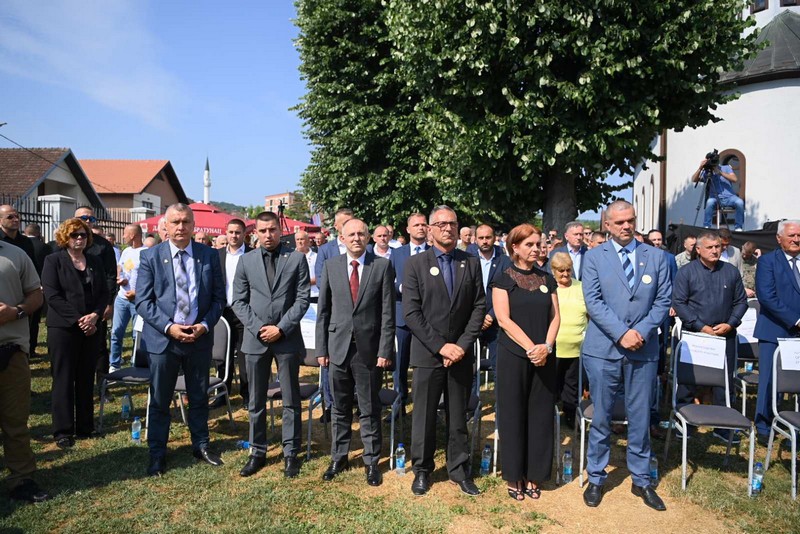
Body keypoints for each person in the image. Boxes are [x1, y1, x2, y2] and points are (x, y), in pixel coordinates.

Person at [580, 200, 671, 511]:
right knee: (602, 415)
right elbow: (593, 301)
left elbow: (663, 301)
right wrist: (622, 333)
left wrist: (640, 332)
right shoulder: (594, 257)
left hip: (643, 349)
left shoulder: (656, 256)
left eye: (630, 220)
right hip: (604, 350)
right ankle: (596, 475)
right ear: (607, 225)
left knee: (640, 415)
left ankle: (641, 479)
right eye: (619, 222)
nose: (626, 226)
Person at [135, 203, 226, 476]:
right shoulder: (150, 256)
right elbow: (143, 301)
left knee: (198, 396)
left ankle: (201, 445)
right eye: (175, 222)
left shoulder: (209, 255)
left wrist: (205, 325)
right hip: (164, 340)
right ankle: (157, 453)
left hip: (199, 339)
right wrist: (169, 327)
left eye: (186, 222)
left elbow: (219, 299)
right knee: (160, 399)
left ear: (194, 225)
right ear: (165, 226)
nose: (181, 227)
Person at [404, 205, 485, 497]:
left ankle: (459, 470)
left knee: (458, 416)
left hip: (460, 355)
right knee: (424, 416)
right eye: (441, 224)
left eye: (452, 223)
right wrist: (441, 346)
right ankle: (422, 470)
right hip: (429, 354)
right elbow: (412, 313)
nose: (448, 228)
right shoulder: (416, 264)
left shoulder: (470, 262)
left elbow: (479, 307)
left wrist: (461, 346)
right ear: (430, 229)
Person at [316, 218, 395, 486]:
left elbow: (387, 312)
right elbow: (323, 311)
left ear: (368, 237)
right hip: (337, 348)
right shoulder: (331, 266)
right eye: (351, 234)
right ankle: (339, 457)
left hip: (368, 350)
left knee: (369, 407)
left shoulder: (381, 266)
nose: (356, 238)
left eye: (361, 234)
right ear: (342, 237)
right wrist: (321, 349)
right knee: (339, 407)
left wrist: (385, 349)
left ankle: (371, 461)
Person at [232, 211, 310, 478]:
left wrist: (281, 328)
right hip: (256, 339)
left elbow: (302, 299)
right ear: (255, 232)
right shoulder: (246, 261)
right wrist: (258, 328)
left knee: (290, 399)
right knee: (255, 400)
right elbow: (238, 301)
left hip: (287, 338)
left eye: (272, 230)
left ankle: (290, 453)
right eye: (263, 231)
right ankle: (257, 451)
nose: (268, 235)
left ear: (280, 230)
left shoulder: (297, 259)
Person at [492, 225, 560, 501]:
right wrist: (531, 347)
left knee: (540, 415)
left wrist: (547, 347)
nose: (536, 248)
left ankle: (535, 474)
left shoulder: (547, 278)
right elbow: (503, 319)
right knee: (513, 415)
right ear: (515, 247)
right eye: (529, 244)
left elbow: (556, 317)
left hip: (545, 356)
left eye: (538, 244)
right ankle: (514, 474)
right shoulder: (503, 279)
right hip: (514, 356)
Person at [672, 230, 748, 442]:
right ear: (698, 250)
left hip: (725, 334)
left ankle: (723, 427)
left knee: (724, 383)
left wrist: (731, 323)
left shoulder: (730, 271)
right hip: (695, 336)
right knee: (687, 381)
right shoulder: (686, 272)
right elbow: (679, 303)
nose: (715, 251)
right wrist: (700, 326)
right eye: (710, 247)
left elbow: (741, 301)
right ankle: (683, 423)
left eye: (718, 247)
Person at [42, 218, 109, 449]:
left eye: (83, 235)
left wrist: (95, 315)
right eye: (74, 235)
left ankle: (85, 426)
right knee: (63, 378)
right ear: (65, 237)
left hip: (92, 327)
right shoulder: (53, 261)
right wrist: (79, 320)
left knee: (85, 376)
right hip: (64, 328)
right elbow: (52, 295)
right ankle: (63, 431)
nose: (79, 238)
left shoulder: (94, 261)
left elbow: (103, 293)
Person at [0, 239, 50, 503]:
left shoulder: (15, 255)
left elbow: (36, 295)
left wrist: (16, 312)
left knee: (15, 421)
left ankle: (21, 480)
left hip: (11, 351)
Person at [753, 220, 800, 444]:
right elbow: (766, 296)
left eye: (799, 235)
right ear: (779, 238)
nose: (796, 239)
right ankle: (763, 425)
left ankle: (794, 428)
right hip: (774, 330)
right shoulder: (768, 261)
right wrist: (796, 320)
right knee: (769, 381)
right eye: (791, 235)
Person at [314, 208, 354, 423]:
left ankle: (354, 400)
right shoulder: (326, 250)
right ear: (337, 227)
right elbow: (321, 279)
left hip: (357, 316)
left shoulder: (363, 247)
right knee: (331, 362)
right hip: (334, 313)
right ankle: (330, 404)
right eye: (344, 222)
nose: (349, 225)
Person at [74, 207, 116, 397]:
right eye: (84, 217)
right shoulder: (63, 243)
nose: (88, 221)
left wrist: (109, 303)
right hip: (72, 304)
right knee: (71, 348)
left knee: (99, 347)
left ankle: (102, 387)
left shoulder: (103, 246)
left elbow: (110, 276)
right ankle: (72, 388)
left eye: (91, 218)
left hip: (96, 304)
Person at [389, 213, 429, 412]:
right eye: (416, 225)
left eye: (423, 224)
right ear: (408, 229)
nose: (420, 228)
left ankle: (428, 406)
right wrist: (401, 287)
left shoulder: (434, 252)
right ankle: (399, 404)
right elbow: (389, 282)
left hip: (428, 317)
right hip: (402, 316)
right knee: (400, 364)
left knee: (428, 364)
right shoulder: (397, 254)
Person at [466, 224, 511, 373]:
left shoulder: (505, 262)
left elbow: (508, 291)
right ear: (475, 239)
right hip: (472, 319)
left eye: (488, 237)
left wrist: (491, 315)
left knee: (499, 366)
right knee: (469, 368)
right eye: (481, 238)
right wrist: (477, 316)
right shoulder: (466, 260)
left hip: (497, 320)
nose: (484, 241)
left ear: (494, 238)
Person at [218, 219, 252, 408]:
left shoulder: (252, 254)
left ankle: (247, 395)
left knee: (245, 355)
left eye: (237, 232)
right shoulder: (217, 255)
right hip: (223, 312)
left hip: (244, 311)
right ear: (226, 232)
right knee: (223, 355)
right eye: (231, 232)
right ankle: (222, 393)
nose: (234, 236)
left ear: (244, 234)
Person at [550, 252, 586, 430]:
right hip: (554, 346)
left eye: (568, 270)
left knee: (572, 384)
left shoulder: (581, 287)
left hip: (577, 347)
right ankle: (548, 415)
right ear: (553, 271)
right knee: (552, 384)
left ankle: (571, 415)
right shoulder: (548, 287)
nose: (565, 274)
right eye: (561, 271)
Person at [109, 224, 146, 372]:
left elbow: (149, 278)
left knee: (137, 335)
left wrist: (137, 293)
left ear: (132, 235)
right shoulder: (126, 251)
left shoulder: (146, 253)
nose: (123, 237)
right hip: (121, 299)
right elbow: (120, 266)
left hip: (138, 300)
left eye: (125, 234)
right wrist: (120, 277)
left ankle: (135, 364)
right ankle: (114, 364)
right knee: (116, 332)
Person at [691, 156, 745, 231]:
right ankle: (707, 226)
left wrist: (720, 173)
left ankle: (738, 227)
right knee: (709, 202)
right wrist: (700, 168)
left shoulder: (726, 168)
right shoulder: (707, 172)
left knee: (739, 202)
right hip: (715, 198)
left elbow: (735, 179)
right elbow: (694, 179)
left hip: (730, 197)